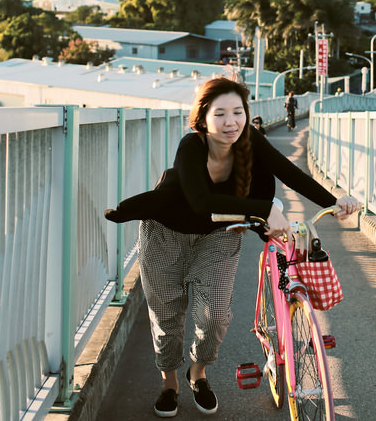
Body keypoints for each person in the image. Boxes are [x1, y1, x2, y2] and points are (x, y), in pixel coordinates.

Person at [104, 77, 358, 417]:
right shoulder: (191, 146)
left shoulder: (250, 141)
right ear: (203, 118)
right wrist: (264, 209)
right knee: (167, 317)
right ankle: (169, 383)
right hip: (166, 234)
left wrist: (335, 201)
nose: (231, 122)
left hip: (220, 236)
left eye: (237, 112)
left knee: (214, 316)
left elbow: (289, 173)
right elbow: (200, 201)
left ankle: (198, 374)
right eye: (220, 113)